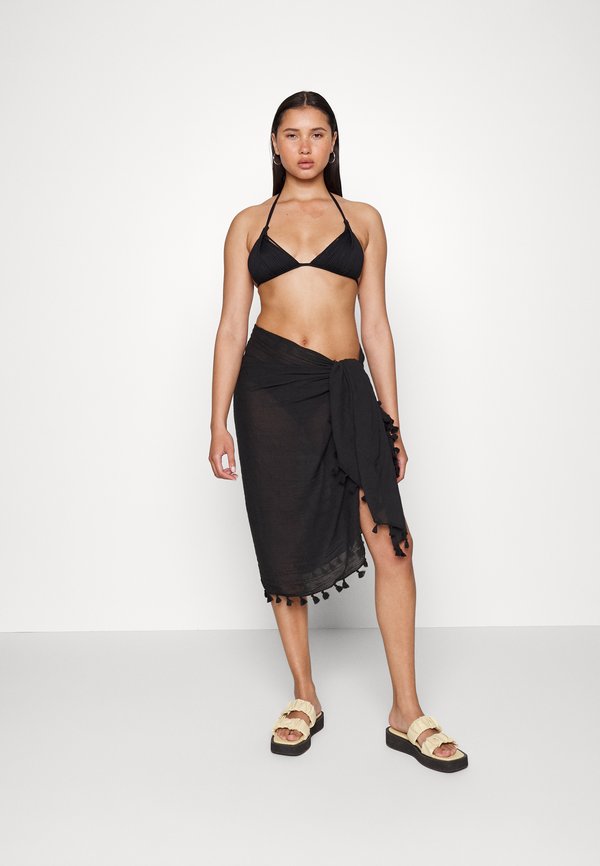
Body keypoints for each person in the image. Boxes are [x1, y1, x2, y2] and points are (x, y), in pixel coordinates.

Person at [209, 90, 468, 772]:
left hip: (347, 389)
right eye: (291, 134)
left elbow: (375, 323)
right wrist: (216, 421)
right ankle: (304, 695)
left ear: (333, 143)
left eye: (317, 133)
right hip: (269, 393)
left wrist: (392, 418)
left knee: (393, 545)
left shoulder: (364, 219)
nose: (304, 146)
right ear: (274, 144)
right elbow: (231, 326)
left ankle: (406, 710)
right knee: (283, 541)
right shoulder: (247, 224)